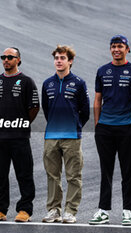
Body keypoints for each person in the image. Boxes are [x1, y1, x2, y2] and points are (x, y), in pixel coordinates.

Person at [89, 35, 131, 226]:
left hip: (126, 127)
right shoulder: (102, 70)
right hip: (105, 127)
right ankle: (103, 211)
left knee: (129, 170)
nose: (116, 49)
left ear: (127, 49)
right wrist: (97, 124)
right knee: (106, 170)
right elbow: (97, 99)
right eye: (113, 46)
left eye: (120, 46)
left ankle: (127, 210)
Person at [0, 47, 40, 222]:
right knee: (0, 174)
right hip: (0, 137)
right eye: (4, 57)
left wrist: (21, 124)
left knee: (24, 174)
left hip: (20, 137)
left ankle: (25, 210)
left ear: (18, 60)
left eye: (10, 57)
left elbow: (34, 108)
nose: (6, 59)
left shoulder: (27, 81)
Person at [41, 45, 90, 223]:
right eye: (56, 58)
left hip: (72, 137)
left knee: (73, 176)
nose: (59, 61)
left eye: (62, 58)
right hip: (51, 136)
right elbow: (46, 109)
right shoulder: (48, 83)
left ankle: (70, 211)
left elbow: (85, 111)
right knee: (52, 175)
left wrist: (74, 126)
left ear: (70, 61)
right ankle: (53, 210)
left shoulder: (78, 83)